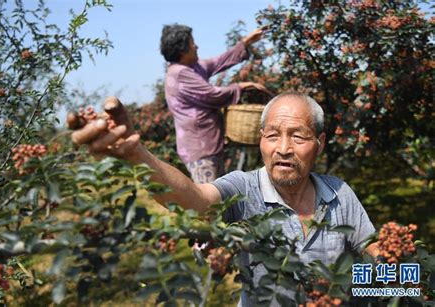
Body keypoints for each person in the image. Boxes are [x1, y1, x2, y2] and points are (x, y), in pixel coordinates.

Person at [70, 91, 379, 306]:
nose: (283, 148)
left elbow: (380, 258)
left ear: (320, 143)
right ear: (260, 140)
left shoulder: (340, 194)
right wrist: (138, 156)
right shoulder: (244, 189)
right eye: (272, 135)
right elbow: (196, 200)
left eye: (298, 136)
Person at [160, 24, 268, 183]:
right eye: (192, 43)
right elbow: (211, 95)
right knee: (211, 201)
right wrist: (241, 87)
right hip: (200, 148)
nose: (196, 46)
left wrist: (246, 42)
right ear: (182, 50)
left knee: (220, 195)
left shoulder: (191, 68)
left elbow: (219, 61)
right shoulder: (180, 73)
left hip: (208, 145)